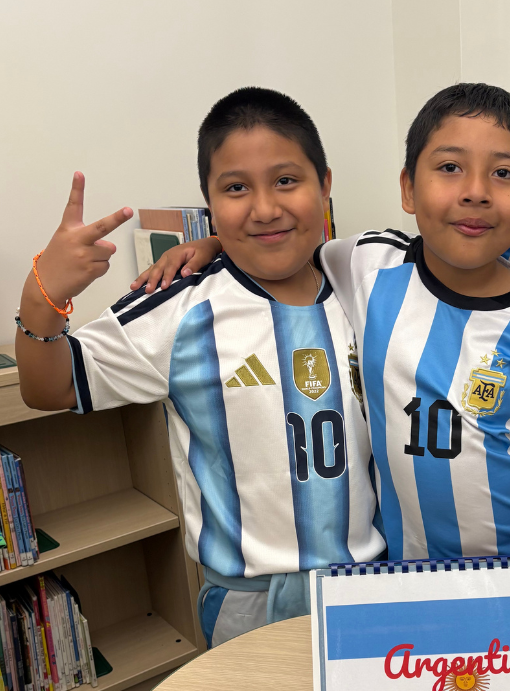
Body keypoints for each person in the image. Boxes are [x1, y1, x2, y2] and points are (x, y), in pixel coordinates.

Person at [135, 83, 510, 561]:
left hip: (507, 575)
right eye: (450, 167)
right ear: (408, 188)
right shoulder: (370, 265)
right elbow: (284, 246)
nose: (475, 192)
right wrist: (213, 245)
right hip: (393, 573)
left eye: (503, 173)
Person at [15, 88, 385, 647]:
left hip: (369, 582)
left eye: (286, 181)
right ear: (209, 201)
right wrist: (43, 294)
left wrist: (221, 240)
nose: (264, 207)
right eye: (236, 188)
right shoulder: (179, 308)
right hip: (249, 601)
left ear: (325, 184)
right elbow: (50, 386)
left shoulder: (365, 281)